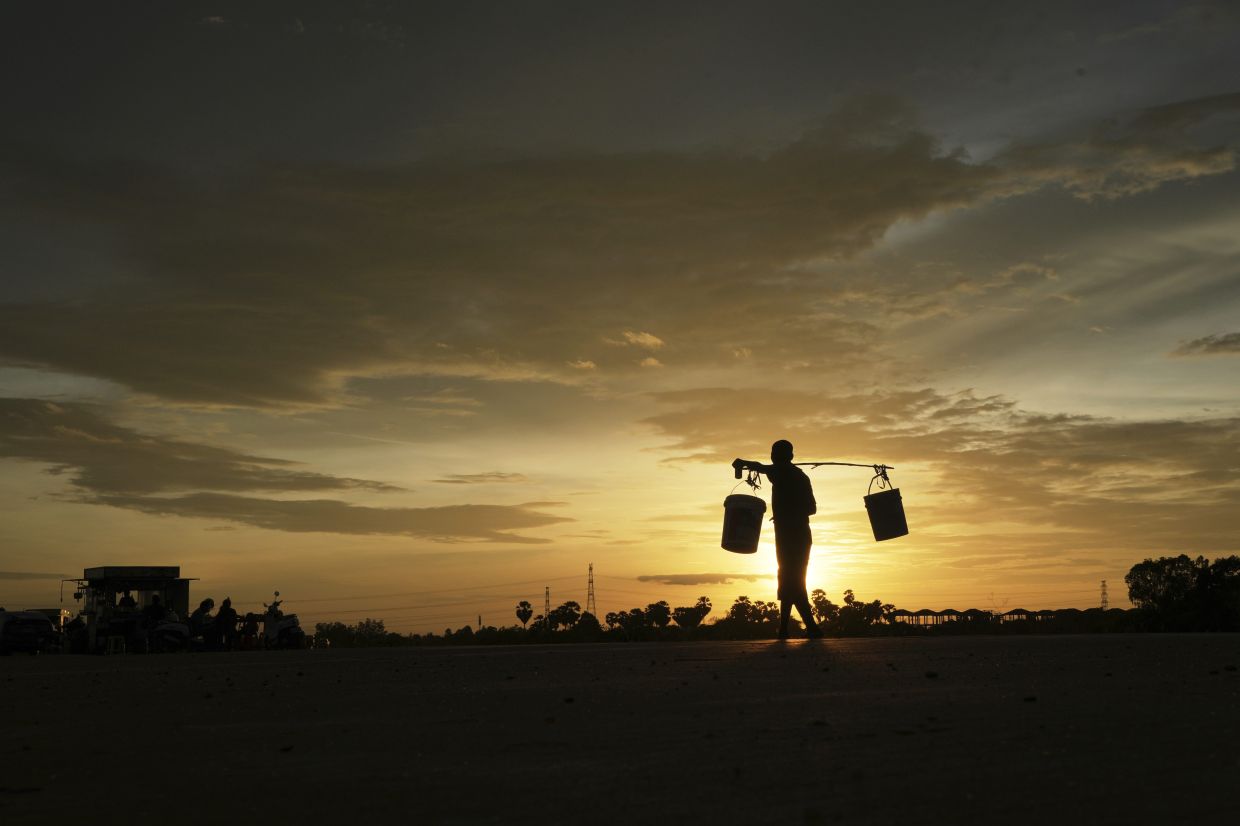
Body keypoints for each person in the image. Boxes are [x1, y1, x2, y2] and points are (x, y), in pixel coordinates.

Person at [734, 440, 824, 639]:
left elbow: (812, 508)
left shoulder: (790, 475)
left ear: (789, 457)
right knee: (787, 579)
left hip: (796, 535)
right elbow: (765, 469)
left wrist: (787, 513)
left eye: (777, 455)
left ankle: (810, 627)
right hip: (786, 534)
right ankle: (784, 628)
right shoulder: (789, 475)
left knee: (793, 580)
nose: (774, 458)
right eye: (773, 454)